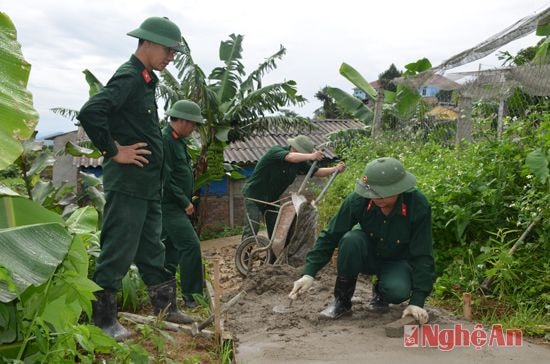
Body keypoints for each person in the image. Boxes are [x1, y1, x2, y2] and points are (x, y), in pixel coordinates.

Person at [77, 16, 193, 340]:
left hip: (146, 185)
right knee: (118, 249)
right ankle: (103, 321)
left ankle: (166, 307)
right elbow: (91, 112)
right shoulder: (129, 76)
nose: (171, 57)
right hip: (128, 184)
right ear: (148, 43)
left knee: (152, 250)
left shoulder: (145, 81)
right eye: (168, 50)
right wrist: (114, 150)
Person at [288, 157, 435, 324]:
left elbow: (423, 253)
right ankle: (342, 302)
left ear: (397, 189)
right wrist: (309, 273)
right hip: (368, 255)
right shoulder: (358, 200)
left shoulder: (417, 205)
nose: (373, 198)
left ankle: (381, 292)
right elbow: (330, 236)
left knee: (397, 291)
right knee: (351, 240)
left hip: (398, 261)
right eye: (370, 192)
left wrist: (417, 302)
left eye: (380, 194)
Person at [241, 135, 345, 241]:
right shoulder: (275, 151)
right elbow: (290, 157)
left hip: (272, 199)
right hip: (254, 195)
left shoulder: (299, 163)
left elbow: (317, 171)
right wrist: (311, 156)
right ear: (296, 148)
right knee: (252, 228)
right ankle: (244, 255)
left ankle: (274, 256)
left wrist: (335, 169)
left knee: (277, 229)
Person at [161, 100, 205, 309]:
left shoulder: (177, 140)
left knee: (171, 251)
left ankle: (164, 296)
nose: (194, 128)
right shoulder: (165, 140)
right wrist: (184, 201)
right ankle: (192, 296)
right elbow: (165, 178)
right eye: (194, 124)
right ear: (184, 121)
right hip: (169, 205)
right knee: (190, 246)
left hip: (175, 205)